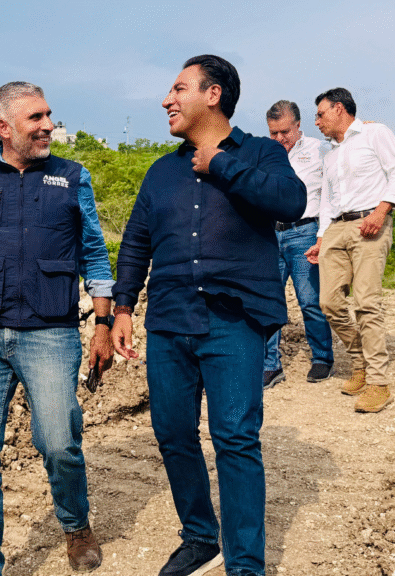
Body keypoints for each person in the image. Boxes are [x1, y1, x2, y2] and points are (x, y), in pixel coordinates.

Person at [112, 55, 306, 576]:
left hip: (234, 319)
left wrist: (221, 164)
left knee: (235, 438)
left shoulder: (262, 154)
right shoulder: (161, 171)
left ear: (213, 94)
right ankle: (201, 536)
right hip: (171, 319)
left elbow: (291, 201)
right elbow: (136, 242)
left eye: (178, 89)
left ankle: (245, 564)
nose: (166, 100)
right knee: (173, 433)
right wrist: (123, 306)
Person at [0, 81, 115, 575]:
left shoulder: (73, 177)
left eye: (49, 115)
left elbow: (95, 254)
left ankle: (76, 526)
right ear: (3, 127)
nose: (48, 126)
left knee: (59, 442)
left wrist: (103, 324)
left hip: (51, 335)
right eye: (36, 118)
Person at [305, 88, 395, 413]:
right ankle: (361, 364)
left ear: (339, 109)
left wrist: (381, 211)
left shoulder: (375, 133)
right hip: (336, 228)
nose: (316, 121)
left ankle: (380, 383)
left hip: (370, 223)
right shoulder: (329, 154)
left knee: (366, 302)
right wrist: (320, 237)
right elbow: (328, 201)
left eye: (320, 114)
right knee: (328, 301)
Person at [262, 100, 335, 389]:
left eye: (284, 132)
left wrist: (323, 235)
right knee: (268, 300)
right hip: (271, 234)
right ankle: (270, 365)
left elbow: (331, 193)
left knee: (309, 300)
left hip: (305, 232)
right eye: (273, 133)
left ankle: (322, 358)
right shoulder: (266, 154)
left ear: (297, 125)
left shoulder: (320, 150)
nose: (279, 138)